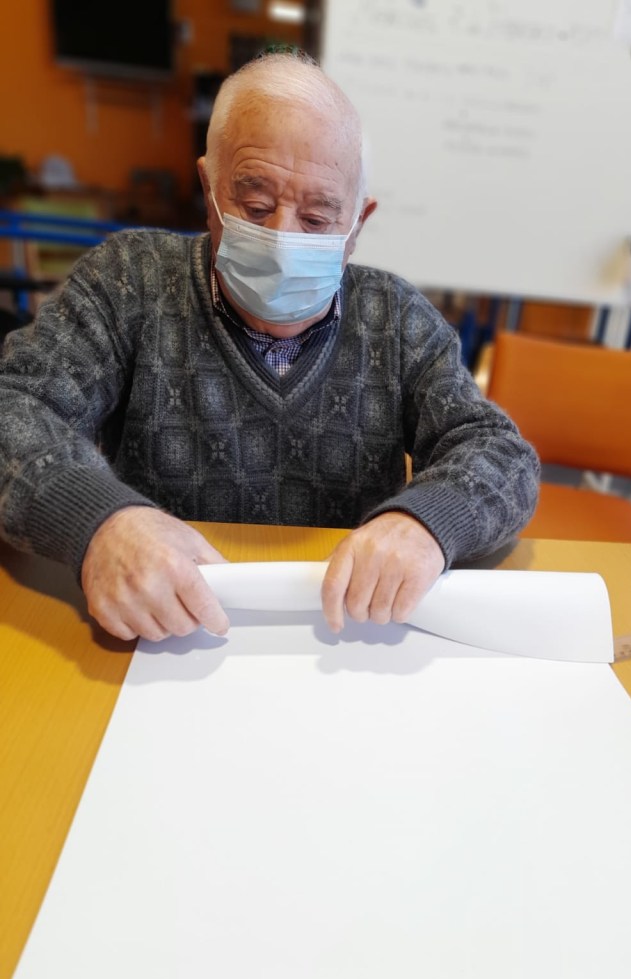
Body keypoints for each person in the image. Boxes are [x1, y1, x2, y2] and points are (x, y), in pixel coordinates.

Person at [0, 51, 539, 643]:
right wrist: (99, 521)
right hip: (165, 630)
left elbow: (500, 453)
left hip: (344, 635)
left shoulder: (397, 317)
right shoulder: (129, 281)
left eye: (317, 219)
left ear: (357, 224)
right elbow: (14, 406)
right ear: (209, 188)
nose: (282, 239)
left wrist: (427, 524)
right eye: (255, 207)